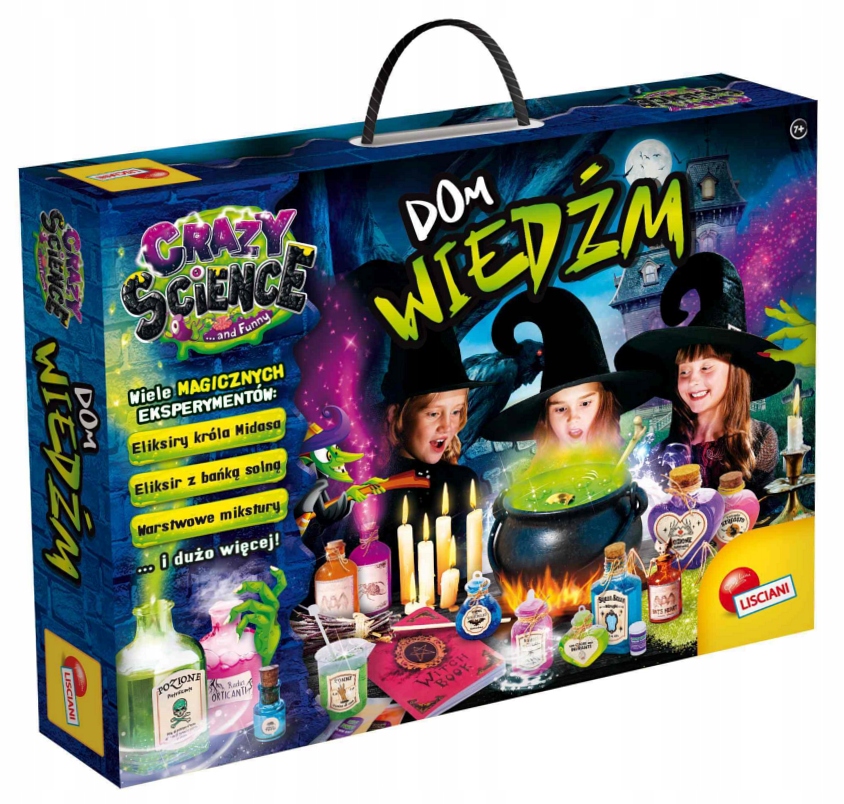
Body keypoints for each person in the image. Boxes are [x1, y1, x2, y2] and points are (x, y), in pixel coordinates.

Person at [614, 252, 795, 497]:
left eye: (706, 367)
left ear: (734, 373)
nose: (693, 381)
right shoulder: (662, 454)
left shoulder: (760, 439)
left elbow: (764, 507)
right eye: (684, 371)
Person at [483, 288, 660, 466]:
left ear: (606, 404)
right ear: (546, 419)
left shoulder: (632, 467)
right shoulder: (539, 479)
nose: (573, 418)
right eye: (560, 409)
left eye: (585, 403)